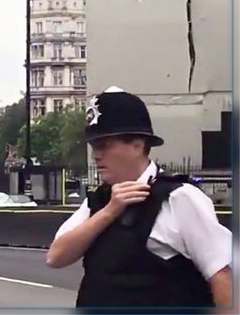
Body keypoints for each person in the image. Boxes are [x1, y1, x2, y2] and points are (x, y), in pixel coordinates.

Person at [46, 86, 232, 312]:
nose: (96, 155)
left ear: (137, 145)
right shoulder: (100, 201)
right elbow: (56, 257)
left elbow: (222, 277)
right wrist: (109, 212)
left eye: (105, 145)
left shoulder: (179, 198)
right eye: (93, 146)